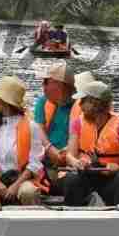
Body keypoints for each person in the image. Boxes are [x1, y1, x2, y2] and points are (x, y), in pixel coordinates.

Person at [0, 76, 49, 206]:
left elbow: (35, 162)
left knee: (27, 192)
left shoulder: (31, 126)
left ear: (6, 102)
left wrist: (15, 186)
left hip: (21, 179)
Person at [63, 80, 119, 207]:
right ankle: (73, 215)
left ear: (95, 104)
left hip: (110, 181)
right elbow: (69, 156)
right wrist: (76, 163)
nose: (80, 105)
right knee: (71, 178)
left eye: (83, 101)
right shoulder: (77, 123)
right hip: (86, 177)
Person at [32, 61, 79, 195]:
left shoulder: (81, 105)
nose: (43, 85)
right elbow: (38, 128)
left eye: (46, 81)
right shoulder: (43, 102)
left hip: (73, 162)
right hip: (47, 160)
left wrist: (67, 154)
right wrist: (50, 149)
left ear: (58, 85)